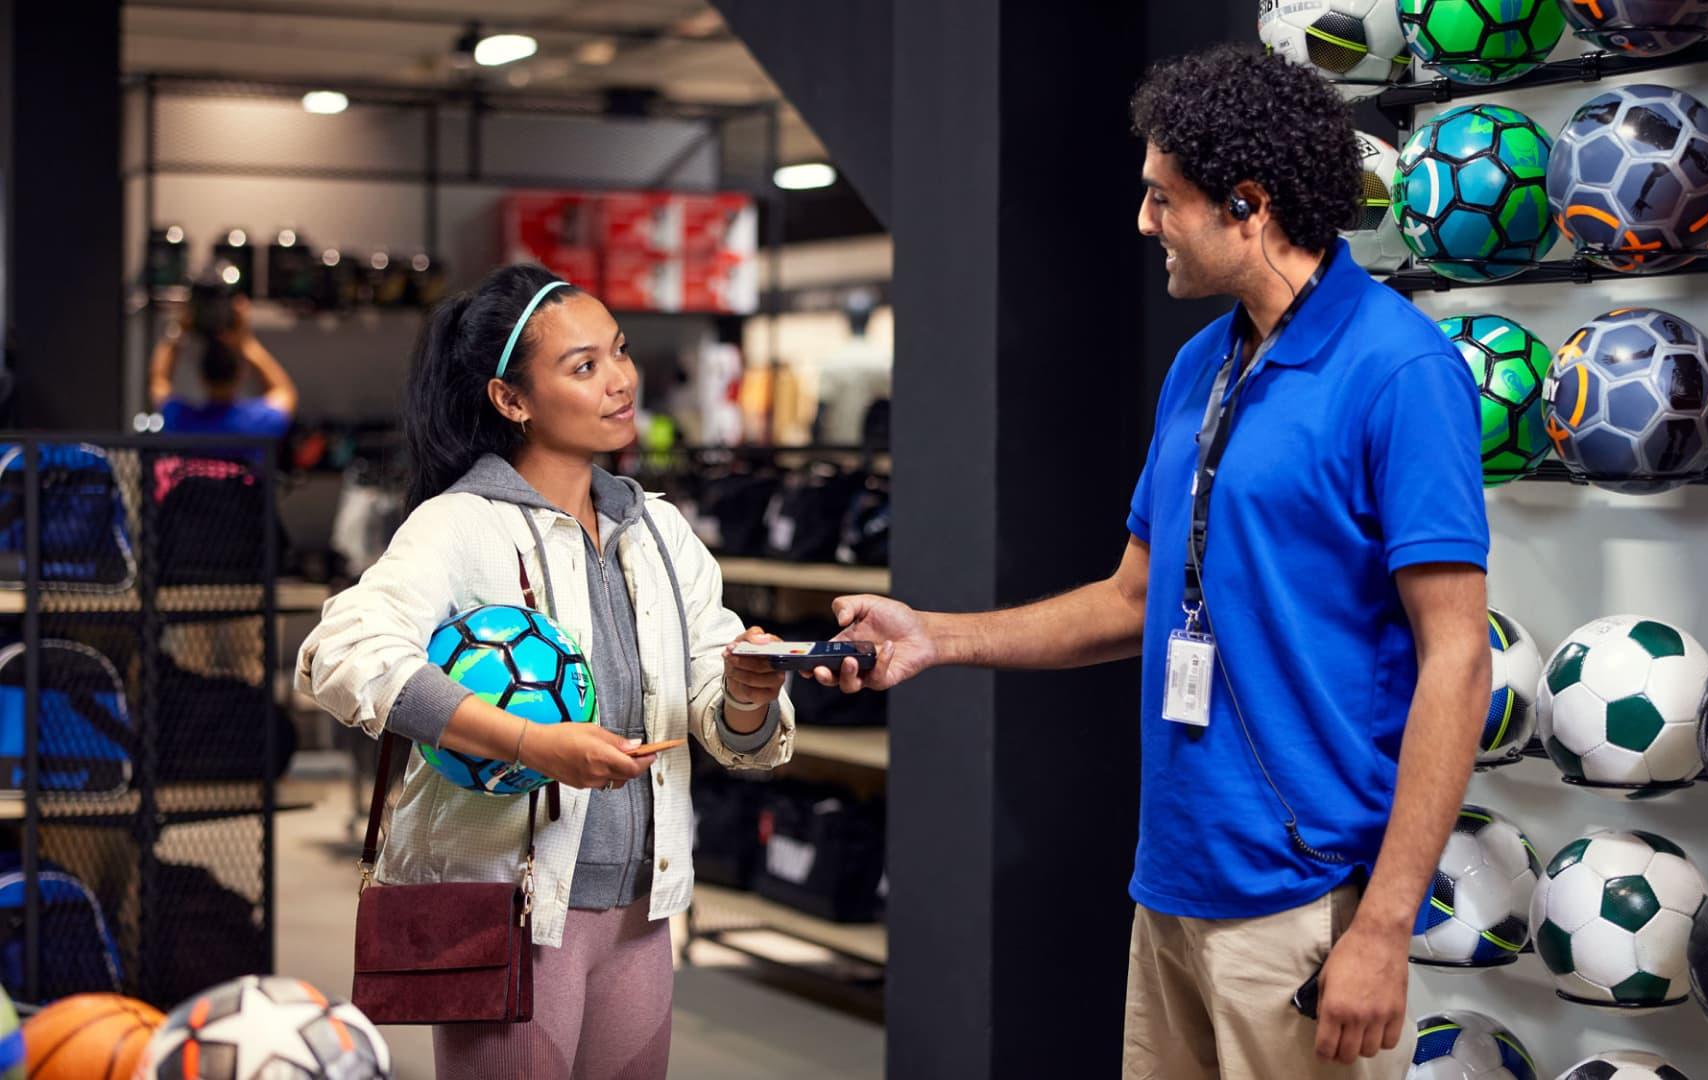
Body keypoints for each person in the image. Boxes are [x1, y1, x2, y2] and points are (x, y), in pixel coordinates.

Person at [813, 46, 1490, 1078]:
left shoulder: (1400, 371)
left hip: (1304, 905)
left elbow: (1458, 658)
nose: (1142, 223)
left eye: (1162, 199)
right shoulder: (1201, 365)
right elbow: (1135, 600)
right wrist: (936, 636)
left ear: (1248, 206)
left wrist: (1386, 923)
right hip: (1171, 885)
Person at [297, 264, 795, 1078]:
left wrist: (746, 694)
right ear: (511, 400)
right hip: (512, 913)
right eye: (584, 365)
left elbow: (731, 724)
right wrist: (530, 742)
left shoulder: (660, 533)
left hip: (642, 912)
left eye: (621, 352)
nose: (621, 380)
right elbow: (342, 653)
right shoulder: (456, 526)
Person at [147, 294, 299, 435]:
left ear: (201, 377)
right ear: (240, 375)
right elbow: (285, 392)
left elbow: (158, 381)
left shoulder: (181, 419)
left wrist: (179, 328)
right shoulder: (255, 422)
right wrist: (245, 341)